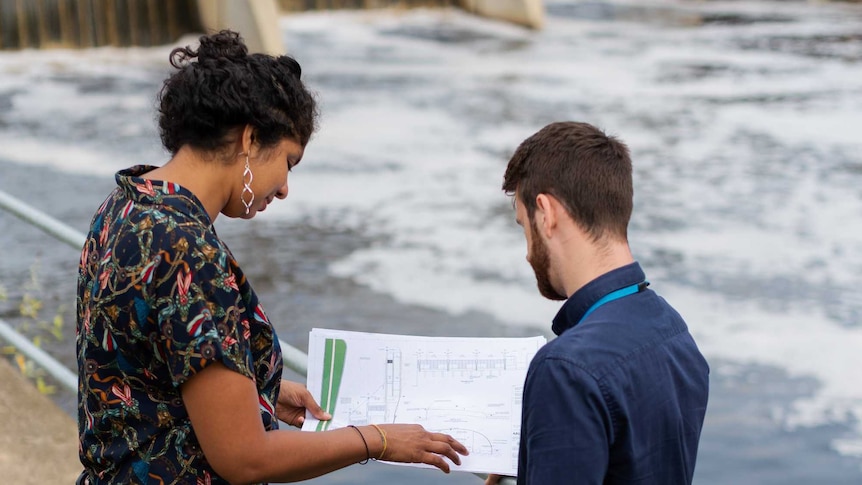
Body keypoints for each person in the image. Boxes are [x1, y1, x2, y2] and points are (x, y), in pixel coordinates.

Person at [76, 30, 467, 484]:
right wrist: (376, 439)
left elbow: (141, 365)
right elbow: (246, 459)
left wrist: (258, 392)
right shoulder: (188, 251)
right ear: (249, 138)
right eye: (288, 162)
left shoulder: (124, 205)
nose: (283, 188)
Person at [486, 122, 709, 485]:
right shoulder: (674, 331)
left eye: (524, 226)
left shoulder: (565, 368)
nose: (527, 254)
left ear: (546, 213)